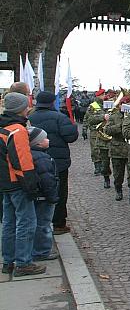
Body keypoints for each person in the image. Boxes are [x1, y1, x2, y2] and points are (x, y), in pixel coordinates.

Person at [1, 92, 45, 277]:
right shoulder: (17, 131)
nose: (29, 108)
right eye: (26, 105)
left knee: (8, 224)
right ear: (21, 108)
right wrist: (31, 185)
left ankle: (8, 261)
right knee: (26, 223)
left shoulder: (3, 128)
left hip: (5, 184)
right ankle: (23, 263)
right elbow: (22, 161)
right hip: (18, 183)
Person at [28, 90, 78, 235]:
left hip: (35, 160)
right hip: (58, 160)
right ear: (52, 102)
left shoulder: (30, 117)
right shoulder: (60, 117)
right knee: (60, 191)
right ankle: (58, 223)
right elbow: (71, 136)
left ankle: (39, 222)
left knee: (39, 190)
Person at [27, 127, 60, 261]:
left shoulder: (34, 154)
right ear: (38, 143)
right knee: (43, 224)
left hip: (38, 196)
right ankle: (42, 251)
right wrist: (53, 197)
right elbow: (47, 180)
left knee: (37, 222)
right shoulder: (42, 158)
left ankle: (36, 249)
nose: (48, 139)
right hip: (44, 197)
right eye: (45, 138)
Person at [105, 96, 130, 201]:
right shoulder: (114, 116)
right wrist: (121, 126)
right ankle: (118, 190)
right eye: (123, 104)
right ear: (120, 106)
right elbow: (107, 130)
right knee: (118, 173)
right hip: (117, 149)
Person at [85, 89, 110, 180]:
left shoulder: (109, 104)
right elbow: (88, 118)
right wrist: (84, 129)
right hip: (95, 131)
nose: (104, 96)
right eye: (102, 94)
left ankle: (104, 167)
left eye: (105, 94)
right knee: (95, 149)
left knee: (105, 151)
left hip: (107, 131)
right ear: (98, 96)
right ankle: (97, 167)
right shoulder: (93, 106)